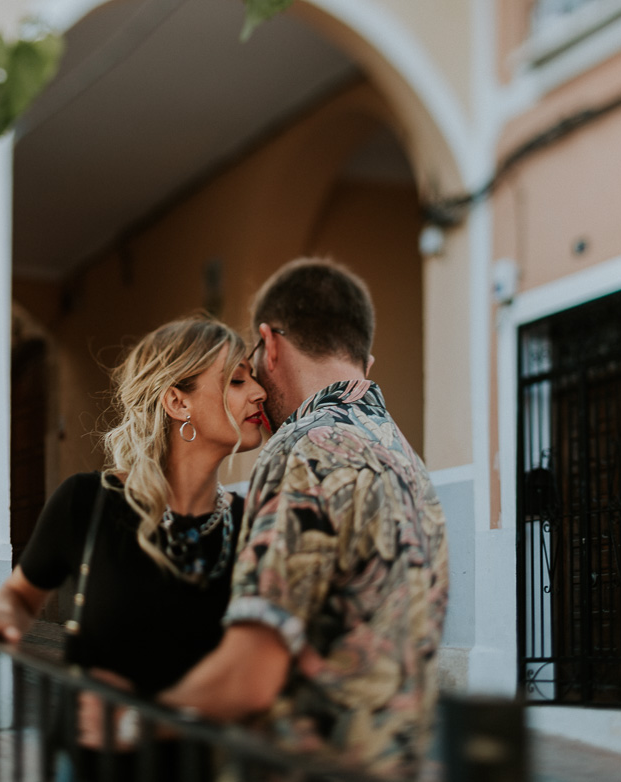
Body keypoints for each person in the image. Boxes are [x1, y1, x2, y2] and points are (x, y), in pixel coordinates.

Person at [159, 259, 450, 780]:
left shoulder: (304, 448)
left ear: (270, 344)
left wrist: (131, 717)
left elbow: (250, 676)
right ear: (366, 358)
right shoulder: (407, 458)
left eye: (251, 364)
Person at [0, 315, 268, 779]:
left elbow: (253, 677)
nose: (259, 392)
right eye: (238, 379)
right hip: (87, 768)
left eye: (255, 378)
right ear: (177, 402)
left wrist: (139, 721)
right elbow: (22, 594)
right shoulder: (87, 501)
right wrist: (1, 612)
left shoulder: (251, 525)